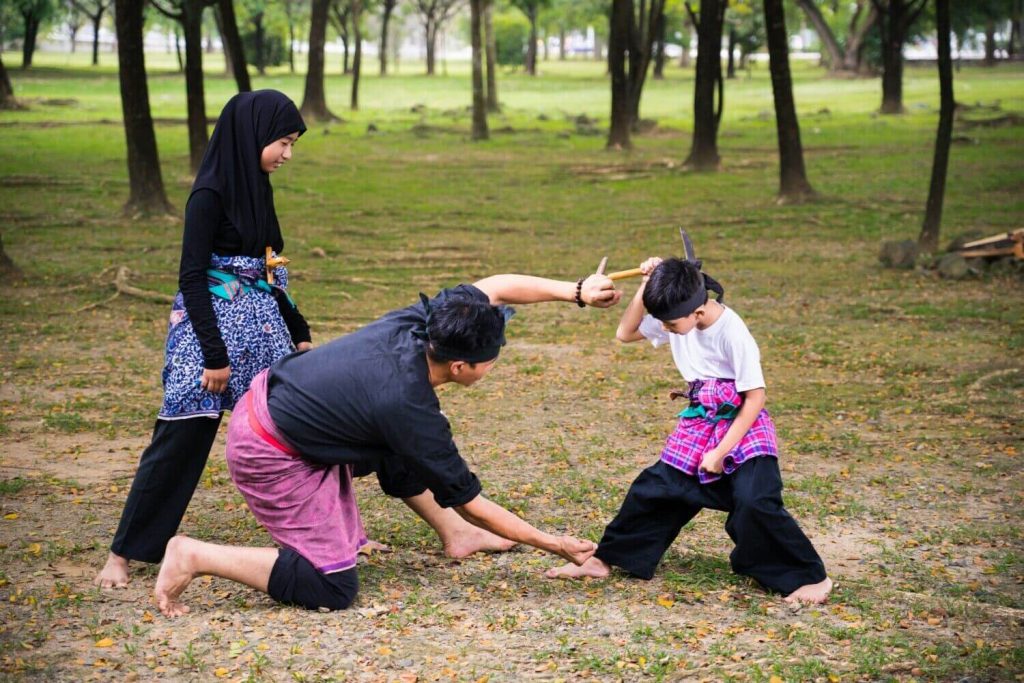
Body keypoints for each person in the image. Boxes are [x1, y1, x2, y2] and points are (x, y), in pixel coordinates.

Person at [154, 273, 623, 616]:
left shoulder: (427, 323)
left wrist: (576, 292)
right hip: (268, 451)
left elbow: (495, 286)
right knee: (331, 586)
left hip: (284, 404)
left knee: (398, 448)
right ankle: (196, 554)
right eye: (490, 361)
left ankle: (454, 537)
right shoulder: (406, 405)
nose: (493, 366)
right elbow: (473, 502)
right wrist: (553, 543)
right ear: (460, 367)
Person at [95, 90, 313, 589]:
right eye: (282, 142)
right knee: (180, 438)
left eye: (293, 144)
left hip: (260, 331)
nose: (287, 155)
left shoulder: (259, 187)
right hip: (207, 335)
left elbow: (269, 268)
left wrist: (299, 335)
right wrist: (214, 358)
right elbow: (192, 277)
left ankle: (316, 537)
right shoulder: (209, 194)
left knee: (293, 432)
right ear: (253, 134)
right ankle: (124, 555)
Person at [546, 256, 833, 605]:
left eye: (669, 324)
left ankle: (811, 578)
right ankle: (606, 559)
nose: (663, 329)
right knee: (656, 489)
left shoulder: (732, 331)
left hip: (742, 426)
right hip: (700, 421)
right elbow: (625, 333)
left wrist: (721, 451)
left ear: (697, 313)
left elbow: (755, 397)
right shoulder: (678, 315)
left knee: (755, 502)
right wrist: (646, 284)